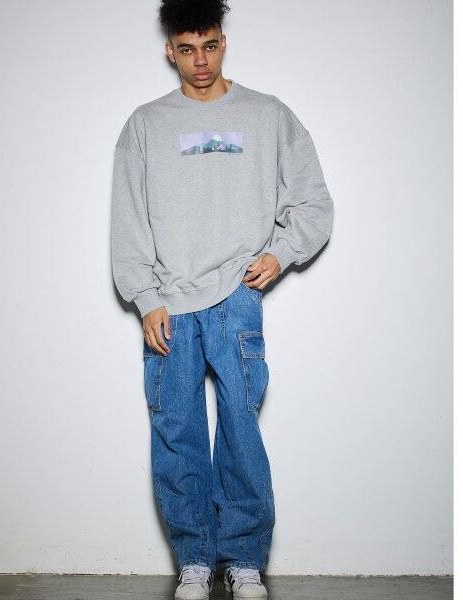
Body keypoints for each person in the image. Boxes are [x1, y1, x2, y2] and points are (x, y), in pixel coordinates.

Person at [110, 1, 334, 597]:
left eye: (209, 45)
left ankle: (243, 559)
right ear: (170, 51)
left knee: (239, 429)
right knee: (176, 431)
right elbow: (128, 218)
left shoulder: (267, 115)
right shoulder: (146, 125)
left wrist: (280, 253)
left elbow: (313, 202)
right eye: (187, 49)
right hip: (168, 301)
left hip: (237, 296)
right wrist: (146, 296)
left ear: (223, 43)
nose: (200, 61)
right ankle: (194, 558)